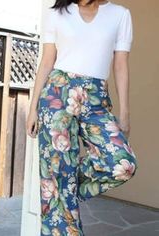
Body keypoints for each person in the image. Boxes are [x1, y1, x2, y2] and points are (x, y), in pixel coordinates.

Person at [26, 0, 138, 235]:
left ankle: (66, 181)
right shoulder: (57, 13)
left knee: (122, 164)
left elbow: (120, 65)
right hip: (57, 94)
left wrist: (125, 111)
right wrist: (33, 107)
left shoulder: (119, 15)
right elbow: (47, 61)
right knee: (56, 180)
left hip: (96, 98)